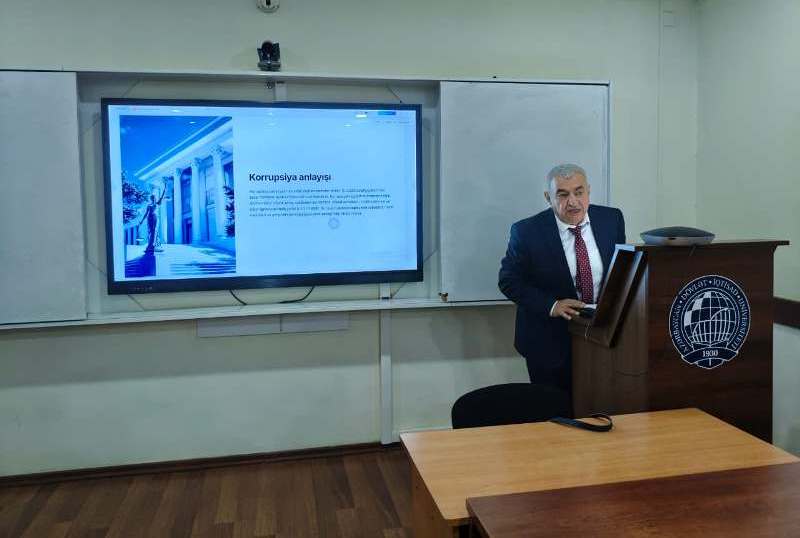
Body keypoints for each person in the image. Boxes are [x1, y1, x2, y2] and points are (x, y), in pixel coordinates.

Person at [498, 163, 626, 394]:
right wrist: (552, 305)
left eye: (579, 192)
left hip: (602, 335)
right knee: (554, 409)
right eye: (563, 194)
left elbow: (621, 271)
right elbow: (509, 281)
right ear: (548, 198)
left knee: (600, 406)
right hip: (548, 341)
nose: (573, 202)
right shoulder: (527, 231)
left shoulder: (611, 219)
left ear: (588, 191)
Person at [139, 183, 166, 254]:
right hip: (149, 218)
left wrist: (164, 189)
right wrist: (142, 221)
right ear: (151, 199)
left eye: (154, 198)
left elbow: (162, 197)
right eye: (152, 198)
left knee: (154, 231)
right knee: (150, 232)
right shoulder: (149, 205)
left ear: (155, 198)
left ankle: (152, 246)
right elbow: (146, 214)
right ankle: (150, 246)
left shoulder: (157, 204)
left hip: (155, 218)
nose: (153, 199)